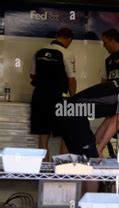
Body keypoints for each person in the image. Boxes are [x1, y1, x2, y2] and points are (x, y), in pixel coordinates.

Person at [30, 27, 77, 159]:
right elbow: (71, 80)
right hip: (58, 98)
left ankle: (44, 171)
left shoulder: (39, 52)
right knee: (66, 134)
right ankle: (62, 171)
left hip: (39, 97)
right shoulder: (67, 53)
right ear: (69, 40)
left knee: (43, 136)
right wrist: (73, 99)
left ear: (57, 36)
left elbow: (32, 75)